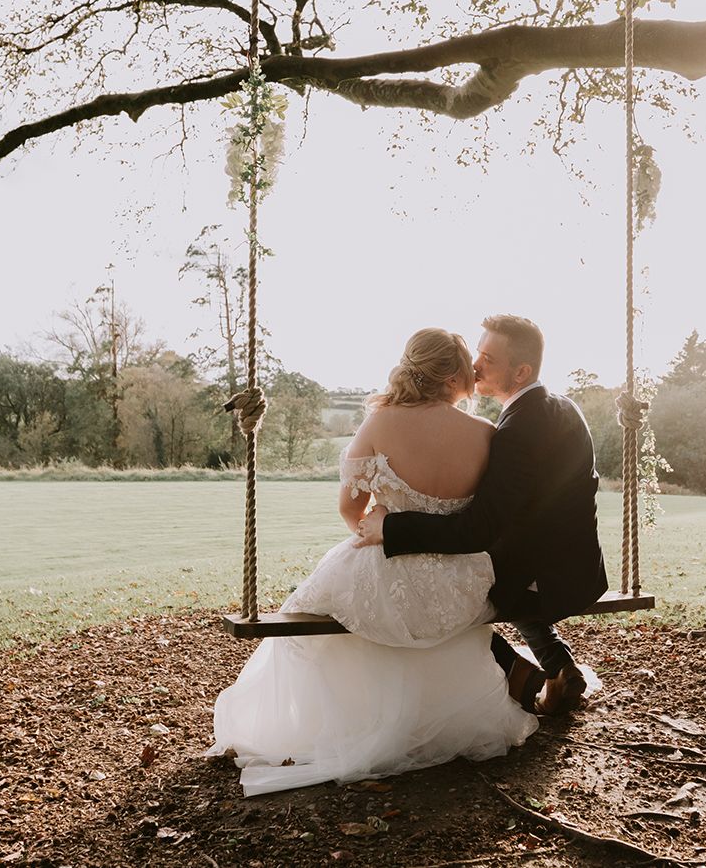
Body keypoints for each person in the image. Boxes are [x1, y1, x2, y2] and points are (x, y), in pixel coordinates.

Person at [206, 328, 539, 795]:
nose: (476, 372)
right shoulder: (487, 434)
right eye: (469, 363)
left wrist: (376, 526)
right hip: (461, 580)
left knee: (330, 607)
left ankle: (365, 724)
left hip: (388, 565)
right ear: (450, 378)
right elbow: (490, 516)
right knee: (420, 616)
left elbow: (349, 508)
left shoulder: (381, 423)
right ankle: (440, 720)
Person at [356, 314, 608, 717]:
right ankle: (561, 665)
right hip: (579, 568)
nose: (474, 365)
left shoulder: (516, 432)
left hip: (543, 579)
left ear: (521, 371)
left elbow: (477, 530)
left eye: (488, 358)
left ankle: (518, 675)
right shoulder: (562, 408)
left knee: (438, 591)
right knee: (473, 575)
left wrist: (391, 526)